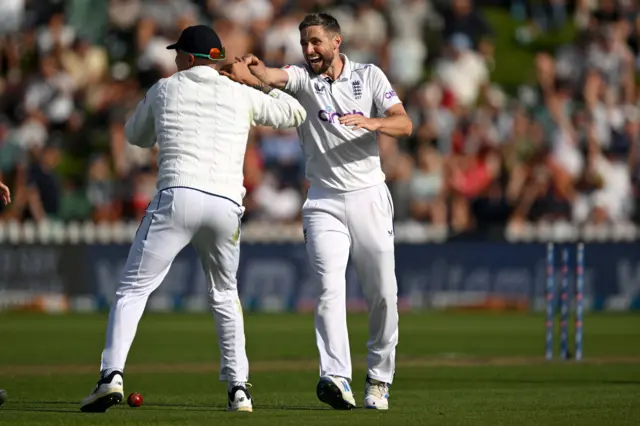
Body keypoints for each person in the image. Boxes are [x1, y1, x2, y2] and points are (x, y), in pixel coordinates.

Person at [80, 24, 307, 413]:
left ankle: (110, 376)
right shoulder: (240, 92)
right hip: (225, 205)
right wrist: (254, 80)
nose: (173, 60)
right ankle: (239, 390)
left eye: (177, 54)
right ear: (216, 59)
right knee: (224, 295)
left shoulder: (165, 88)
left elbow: (135, 135)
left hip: (177, 197)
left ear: (187, 58)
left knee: (133, 291)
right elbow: (296, 112)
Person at [229, 12, 412, 410]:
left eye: (315, 42)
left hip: (369, 196)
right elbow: (277, 77)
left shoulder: (370, 76)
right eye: (304, 43)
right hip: (323, 200)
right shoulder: (303, 79)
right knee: (329, 290)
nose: (309, 50)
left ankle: (379, 380)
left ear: (336, 42)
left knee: (383, 293)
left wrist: (372, 122)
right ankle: (336, 377)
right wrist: (254, 71)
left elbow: (405, 124)